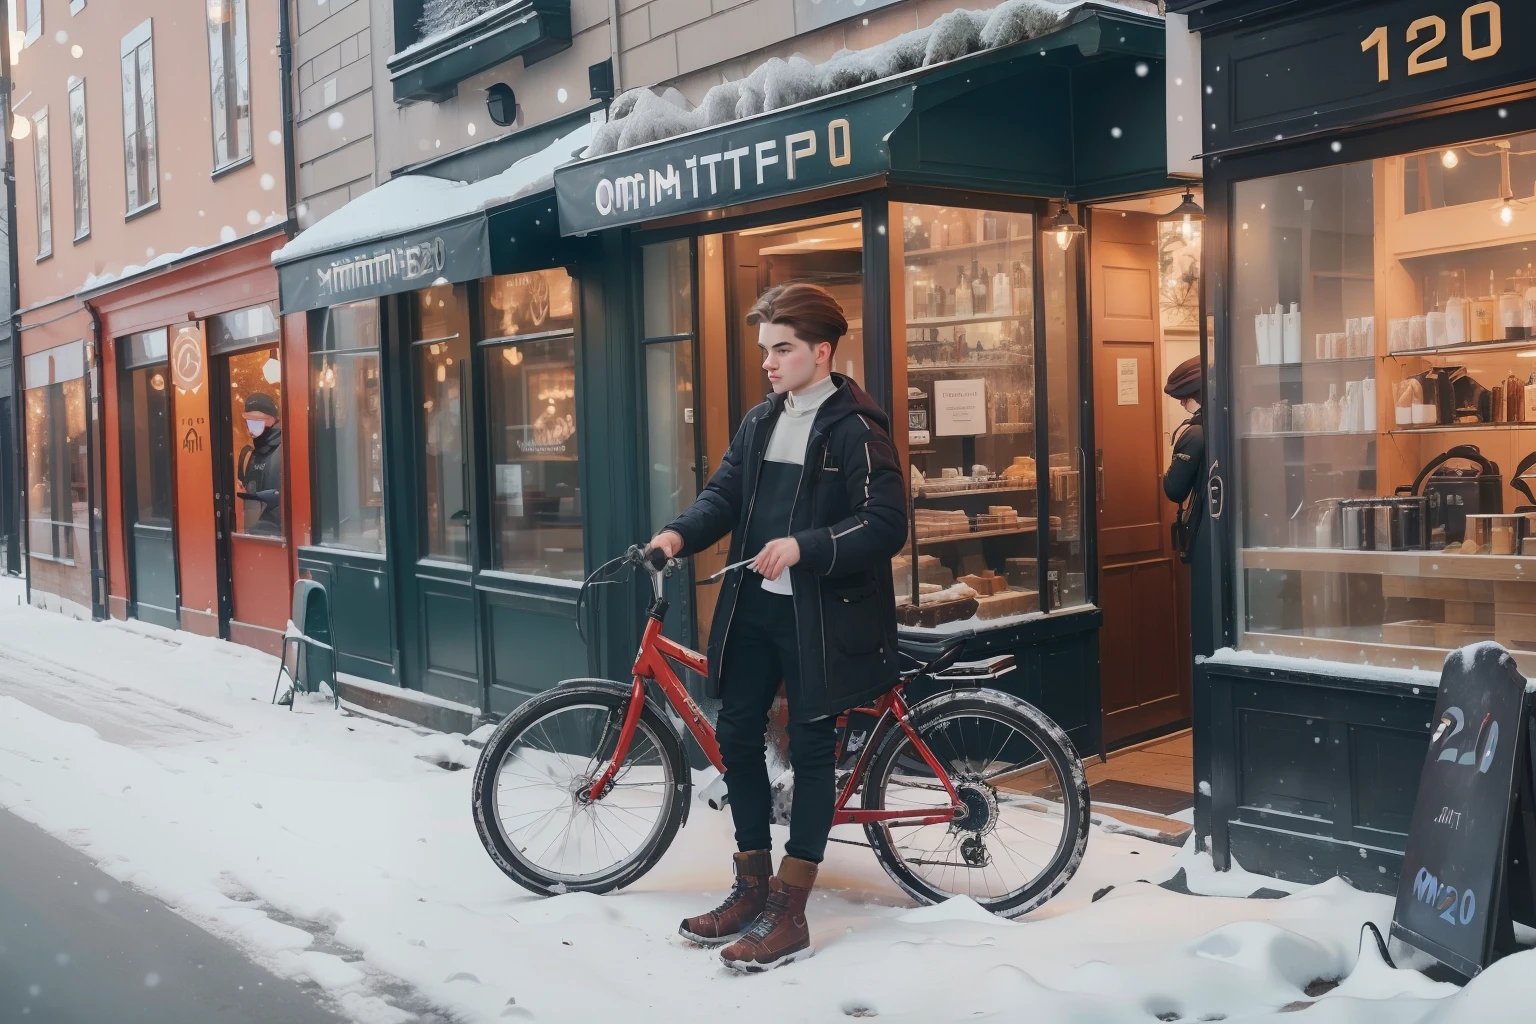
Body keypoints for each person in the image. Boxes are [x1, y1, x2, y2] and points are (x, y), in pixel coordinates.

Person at [646, 283, 907, 972]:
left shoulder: (856, 428)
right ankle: (752, 887)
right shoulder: (762, 421)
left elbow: (885, 525)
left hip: (822, 617)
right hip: (757, 608)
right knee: (736, 733)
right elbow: (723, 496)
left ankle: (789, 912)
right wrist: (675, 536)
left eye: (781, 349)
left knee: (812, 748)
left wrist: (806, 545)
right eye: (764, 350)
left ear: (821, 352)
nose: (768, 362)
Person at [1162, 356, 1205, 564]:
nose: (1181, 402)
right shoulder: (1220, 422)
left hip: (1203, 527)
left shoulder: (1195, 433)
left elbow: (1174, 489)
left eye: (1185, 397)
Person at [238, 392, 283, 537]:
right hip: (250, 531)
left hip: (275, 533)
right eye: (249, 421)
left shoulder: (285, 451)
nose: (252, 426)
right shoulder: (248, 453)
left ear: (274, 420)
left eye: (259, 420)